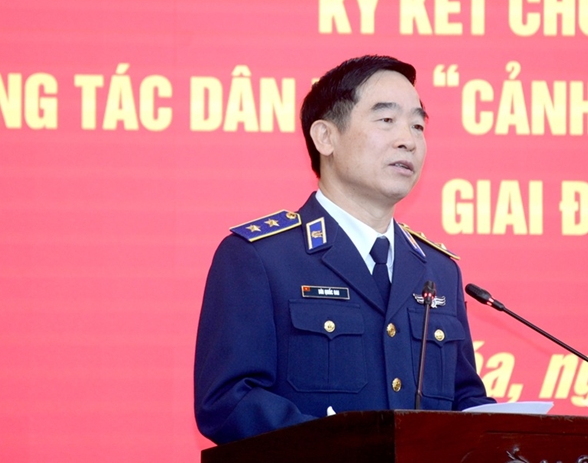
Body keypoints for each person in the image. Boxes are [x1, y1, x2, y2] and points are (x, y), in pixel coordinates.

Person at [194, 55, 494, 444]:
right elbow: (228, 402)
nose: (408, 139)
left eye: (418, 125)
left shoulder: (438, 270)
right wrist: (343, 447)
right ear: (325, 138)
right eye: (386, 120)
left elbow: (464, 400)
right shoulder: (260, 259)